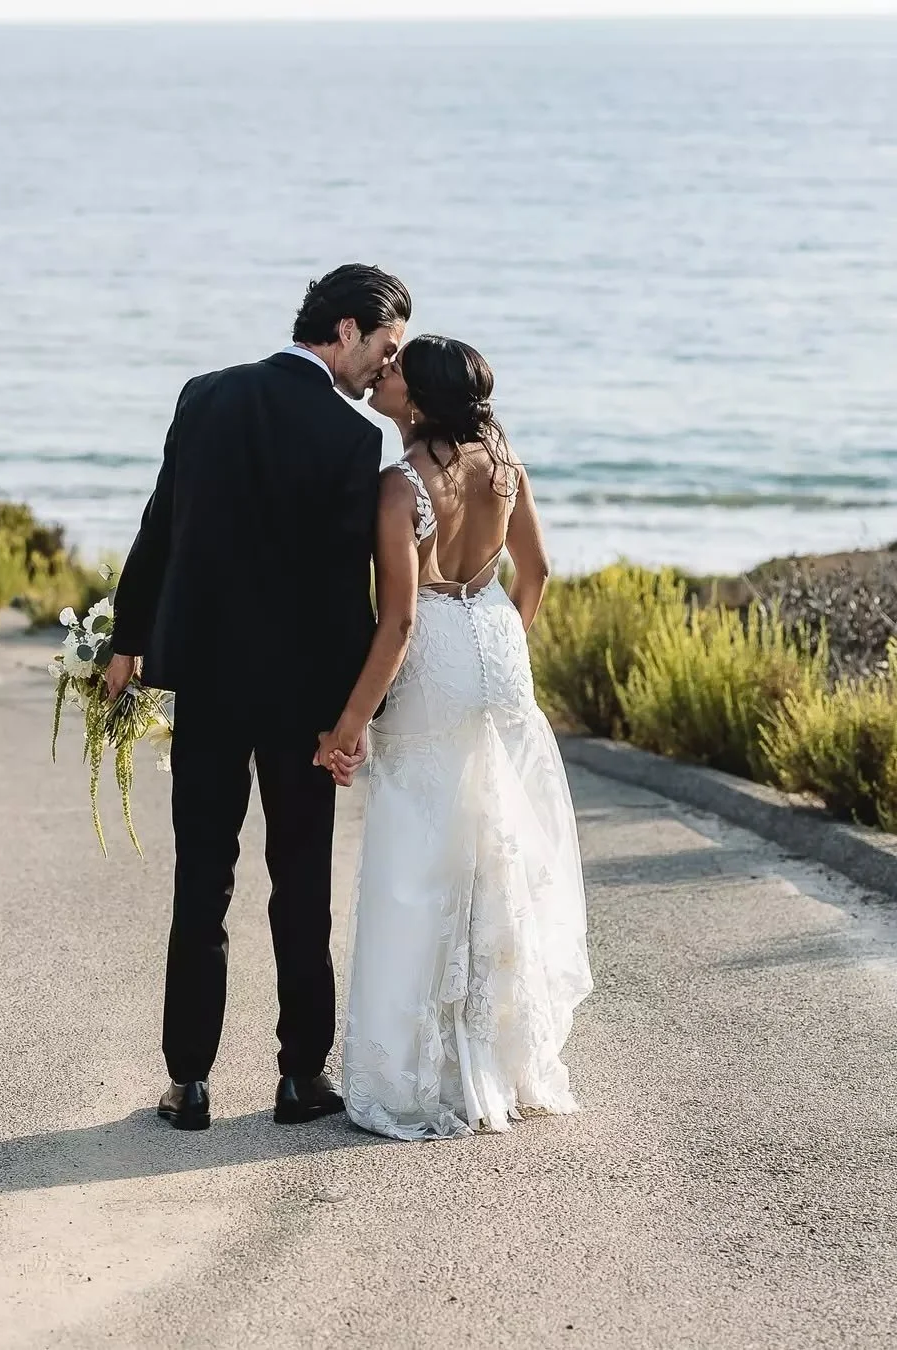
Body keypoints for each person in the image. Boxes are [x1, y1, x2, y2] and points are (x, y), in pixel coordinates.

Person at [106, 264, 411, 1130]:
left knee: (200, 882)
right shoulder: (354, 441)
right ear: (346, 330)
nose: (380, 370)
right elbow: (341, 596)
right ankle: (299, 1078)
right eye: (382, 349)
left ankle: (190, 1083)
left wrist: (128, 643)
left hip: (206, 684)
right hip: (302, 702)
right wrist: (352, 715)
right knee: (300, 887)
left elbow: (159, 525)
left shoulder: (204, 396)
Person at [316, 335, 593, 1140]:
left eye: (398, 371)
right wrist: (500, 646)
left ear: (423, 398)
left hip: (434, 652)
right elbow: (534, 571)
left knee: (418, 858)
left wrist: (348, 725)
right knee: (495, 847)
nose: (385, 374)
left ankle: (415, 1077)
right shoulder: (504, 463)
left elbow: (399, 619)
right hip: (498, 648)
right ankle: (502, 1062)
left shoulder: (401, 486)